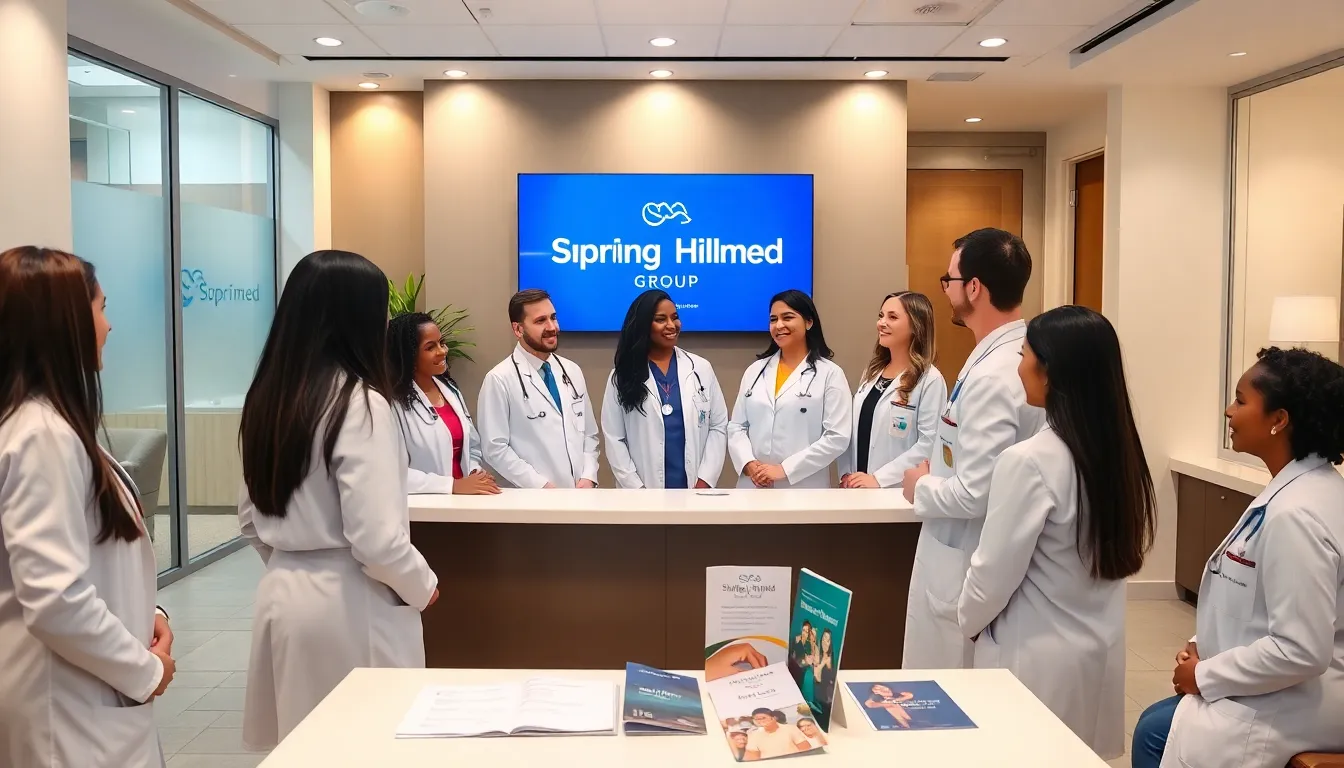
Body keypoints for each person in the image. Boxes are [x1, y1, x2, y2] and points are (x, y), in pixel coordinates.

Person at [238, 250, 439, 750]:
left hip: (284, 598)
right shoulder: (361, 401)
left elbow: (248, 519)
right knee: (364, 747)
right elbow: (377, 540)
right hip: (351, 606)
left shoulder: (267, 397)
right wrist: (423, 586)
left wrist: (295, 560)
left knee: (305, 747)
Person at [0, 247, 176, 766]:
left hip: (85, 693)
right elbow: (54, 597)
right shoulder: (41, 436)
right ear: (66, 324)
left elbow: (89, 558)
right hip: (67, 709)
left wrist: (148, 614)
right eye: (101, 308)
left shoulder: (49, 426)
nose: (110, 325)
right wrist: (145, 670)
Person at [957, 306, 1155, 760]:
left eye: (1023, 354)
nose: (1018, 366)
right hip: (1096, 651)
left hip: (1034, 660)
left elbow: (991, 576)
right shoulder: (1116, 451)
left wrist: (965, 622)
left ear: (1049, 370)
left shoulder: (1029, 460)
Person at [1131, 347, 1344, 768]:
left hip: (1305, 701)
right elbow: (1255, 601)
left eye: (1241, 400)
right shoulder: (1297, 491)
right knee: (1156, 723)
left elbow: (1301, 650)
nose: (1229, 411)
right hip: (1290, 684)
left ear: (1279, 420)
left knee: (1155, 734)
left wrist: (1204, 675)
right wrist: (1202, 646)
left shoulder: (1297, 513)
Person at [900, 228, 1045, 669]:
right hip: (963, 555)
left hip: (967, 558)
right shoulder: (1004, 355)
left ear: (974, 288)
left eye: (949, 281)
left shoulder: (996, 373)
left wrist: (920, 485)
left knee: (947, 691)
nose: (945, 291)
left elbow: (976, 491)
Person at [602, 290, 729, 489]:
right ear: (643, 325)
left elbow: (718, 426)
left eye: (675, 317)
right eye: (661, 319)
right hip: (641, 492)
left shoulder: (700, 368)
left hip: (695, 488)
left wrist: (705, 480)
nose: (672, 325)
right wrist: (636, 488)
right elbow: (614, 438)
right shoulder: (621, 376)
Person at [728, 290, 852, 489]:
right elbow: (736, 427)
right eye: (773, 319)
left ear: (809, 322)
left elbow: (837, 437)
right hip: (754, 485)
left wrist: (785, 469)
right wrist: (749, 464)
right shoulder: (755, 371)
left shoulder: (830, 374)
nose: (779, 325)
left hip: (803, 487)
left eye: (788, 317)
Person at [477, 289, 600, 489]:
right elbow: (495, 448)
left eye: (553, 317)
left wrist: (589, 475)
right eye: (540, 321)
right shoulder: (499, 379)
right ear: (518, 329)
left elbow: (589, 434)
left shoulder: (572, 371)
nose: (552, 327)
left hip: (580, 495)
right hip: (532, 500)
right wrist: (540, 485)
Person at [839, 291, 946, 488]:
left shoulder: (930, 380)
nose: (881, 323)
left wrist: (879, 479)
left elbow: (928, 444)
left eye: (892, 317)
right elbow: (853, 431)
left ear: (916, 325)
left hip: (895, 491)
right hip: (856, 488)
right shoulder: (872, 373)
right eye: (881, 316)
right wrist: (846, 473)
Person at [386, 312, 499, 495]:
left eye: (442, 343)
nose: (442, 351)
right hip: (423, 510)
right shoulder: (392, 402)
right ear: (408, 355)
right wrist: (451, 486)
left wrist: (474, 472)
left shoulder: (449, 390)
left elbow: (472, 445)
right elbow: (389, 472)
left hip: (462, 504)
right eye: (430, 347)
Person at [743, 708, 810, 760]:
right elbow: (752, 756)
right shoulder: (753, 735)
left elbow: (805, 748)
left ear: (773, 717)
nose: (761, 721)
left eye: (763, 718)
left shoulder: (791, 728)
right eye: (757, 719)